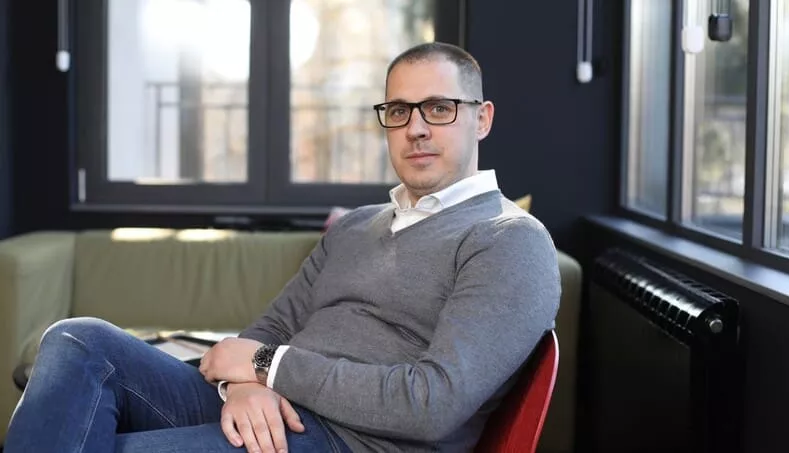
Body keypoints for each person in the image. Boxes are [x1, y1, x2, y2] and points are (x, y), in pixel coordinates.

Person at [4, 42, 561, 453]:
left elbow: (431, 404)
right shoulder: (356, 227)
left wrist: (267, 368)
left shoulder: (509, 241)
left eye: (439, 108)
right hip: (270, 411)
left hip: (349, 442)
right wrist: (242, 386)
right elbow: (269, 329)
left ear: (481, 119)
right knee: (77, 339)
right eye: (398, 111)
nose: (416, 128)